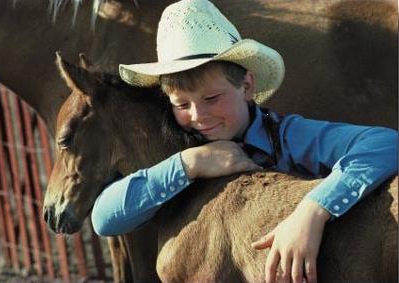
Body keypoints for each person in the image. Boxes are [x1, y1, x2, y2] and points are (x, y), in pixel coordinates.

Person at [91, 0, 398, 282]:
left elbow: (385, 144)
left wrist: (312, 211)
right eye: (181, 104)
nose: (198, 115)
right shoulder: (178, 148)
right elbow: (105, 218)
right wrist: (189, 164)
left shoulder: (287, 136)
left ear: (247, 86)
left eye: (212, 98)